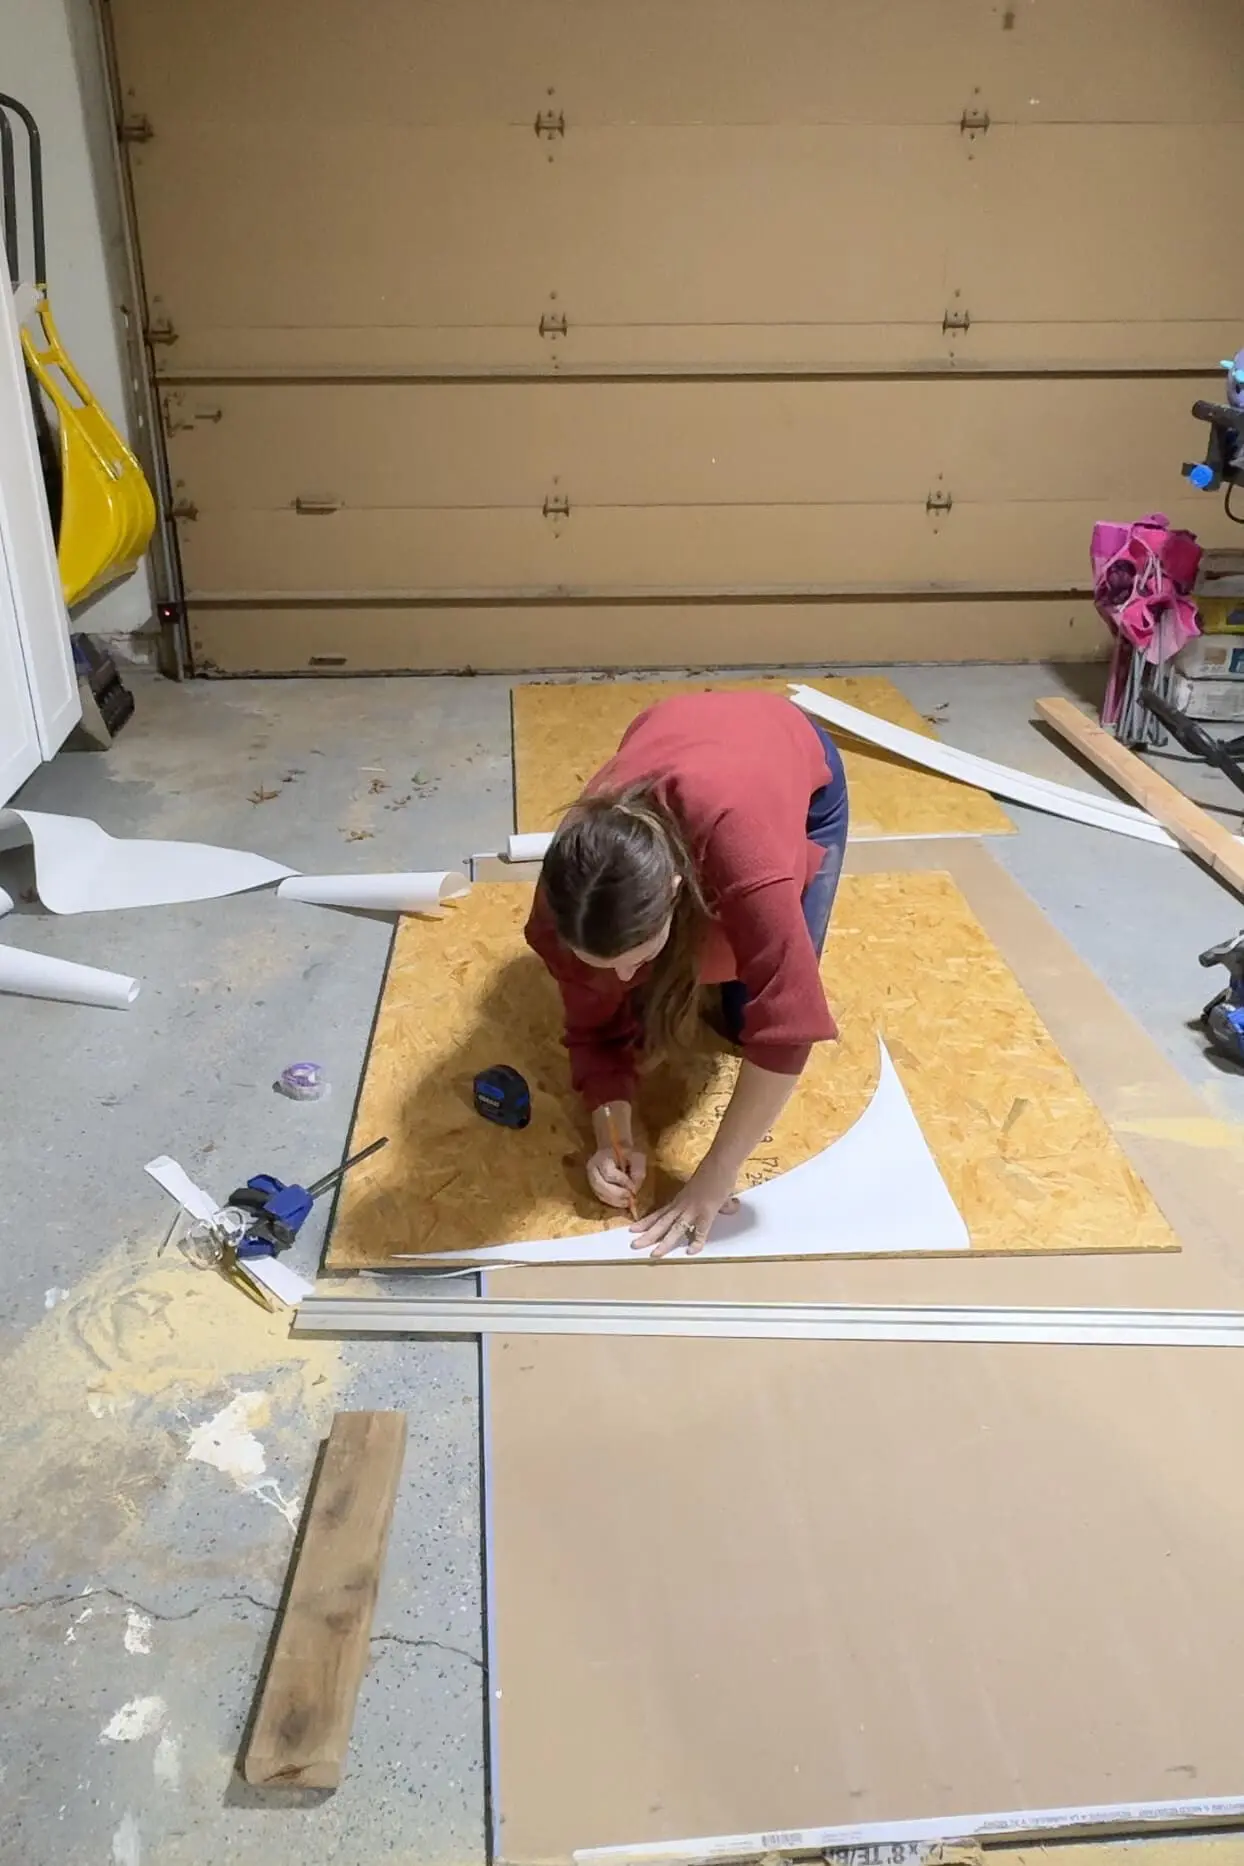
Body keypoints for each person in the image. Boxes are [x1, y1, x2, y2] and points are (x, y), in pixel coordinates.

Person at [524, 689, 849, 1257]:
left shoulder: (747, 853)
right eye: (607, 962)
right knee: (651, 998)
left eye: (636, 954)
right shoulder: (572, 883)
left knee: (744, 1014)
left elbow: (789, 1028)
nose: (624, 975)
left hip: (788, 753)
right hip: (677, 733)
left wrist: (714, 1175)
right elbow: (593, 1030)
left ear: (675, 893)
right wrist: (613, 1133)